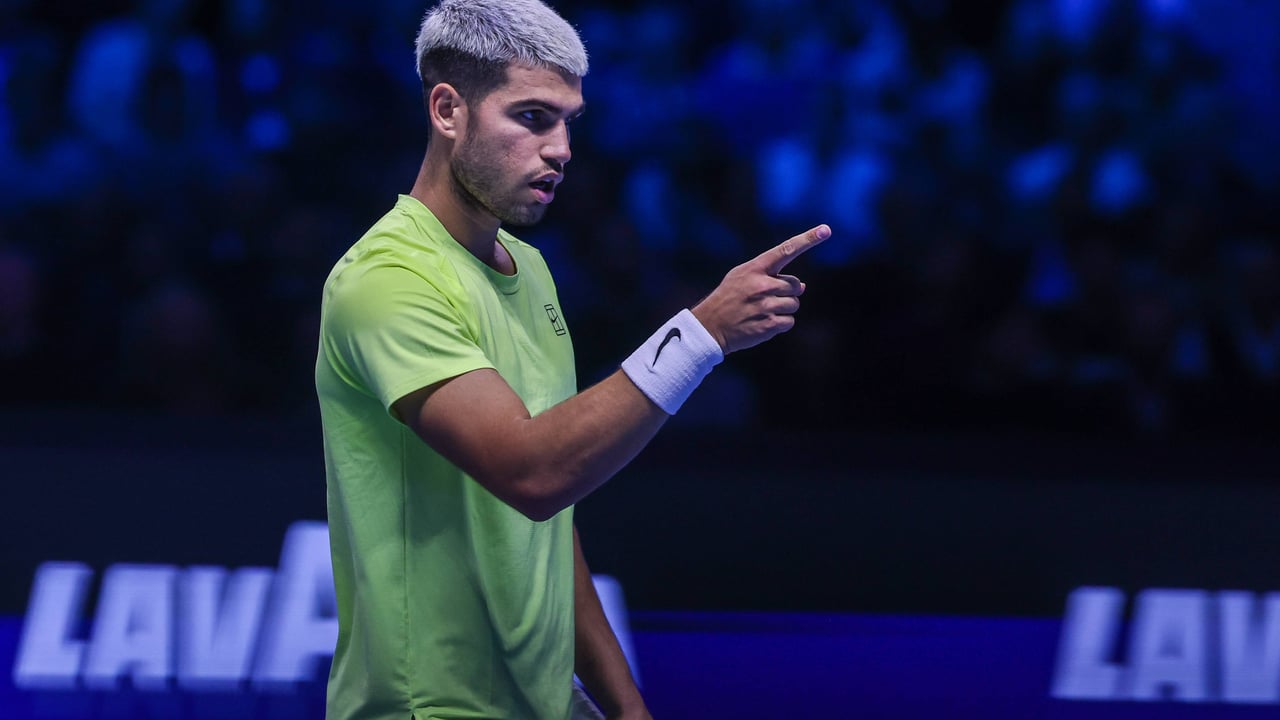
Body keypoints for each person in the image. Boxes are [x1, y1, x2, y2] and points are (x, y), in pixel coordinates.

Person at [314, 1, 830, 718]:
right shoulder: (386, 280)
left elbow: (548, 523)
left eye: (568, 122)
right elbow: (533, 472)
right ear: (447, 110)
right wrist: (702, 336)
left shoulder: (531, 272)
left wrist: (627, 708)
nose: (559, 148)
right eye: (531, 117)